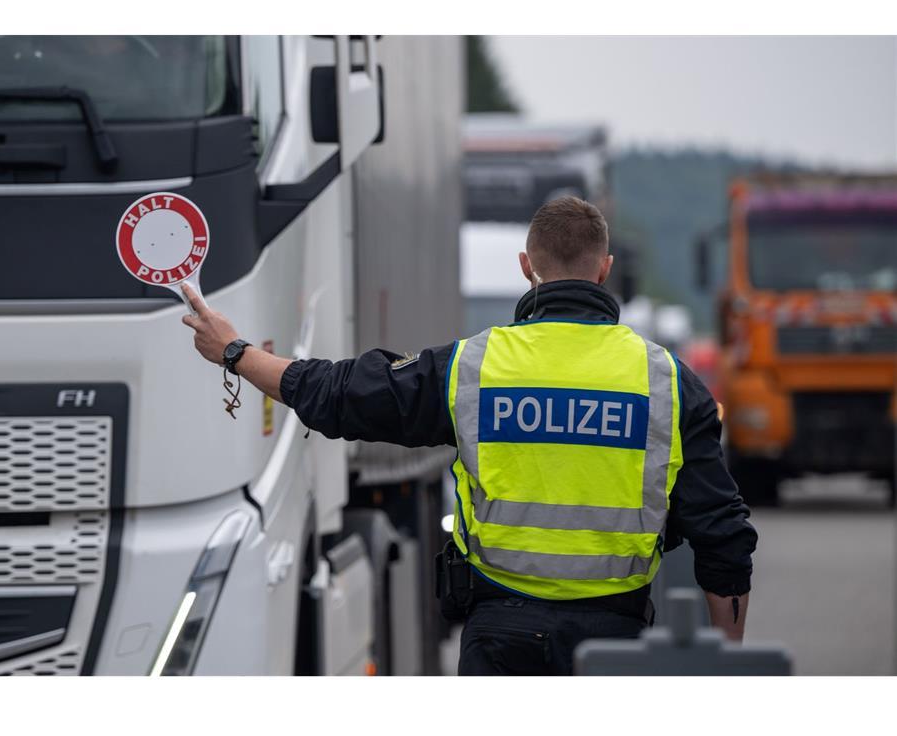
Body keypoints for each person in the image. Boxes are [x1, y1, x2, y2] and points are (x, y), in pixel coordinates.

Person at [181, 196, 757, 676]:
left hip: (499, 638)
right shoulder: (668, 382)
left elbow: (340, 395)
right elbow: (722, 534)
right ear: (604, 268)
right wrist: (727, 660)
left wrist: (236, 353)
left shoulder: (472, 369)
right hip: (615, 639)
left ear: (526, 267)